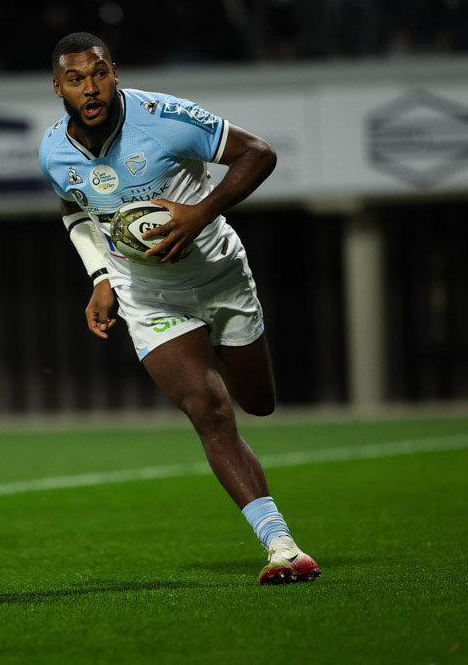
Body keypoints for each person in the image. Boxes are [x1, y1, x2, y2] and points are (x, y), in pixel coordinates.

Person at [38, 32, 320, 585]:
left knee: (257, 404)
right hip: (147, 295)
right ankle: (282, 547)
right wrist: (100, 276)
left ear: (114, 72)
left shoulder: (165, 118)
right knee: (209, 412)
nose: (89, 88)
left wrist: (198, 212)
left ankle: (227, 351)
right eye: (75, 79)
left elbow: (259, 153)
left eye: (98, 74)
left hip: (220, 276)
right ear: (58, 89)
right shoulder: (53, 150)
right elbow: (73, 208)